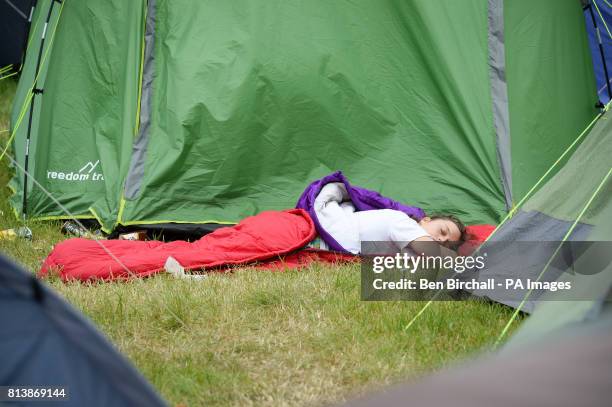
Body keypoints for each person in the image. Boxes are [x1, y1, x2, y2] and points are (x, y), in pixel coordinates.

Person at [312, 183, 466, 255]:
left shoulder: (407, 247)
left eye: (446, 243)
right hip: (323, 237)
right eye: (443, 231)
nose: (440, 239)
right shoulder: (403, 223)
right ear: (425, 220)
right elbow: (432, 253)